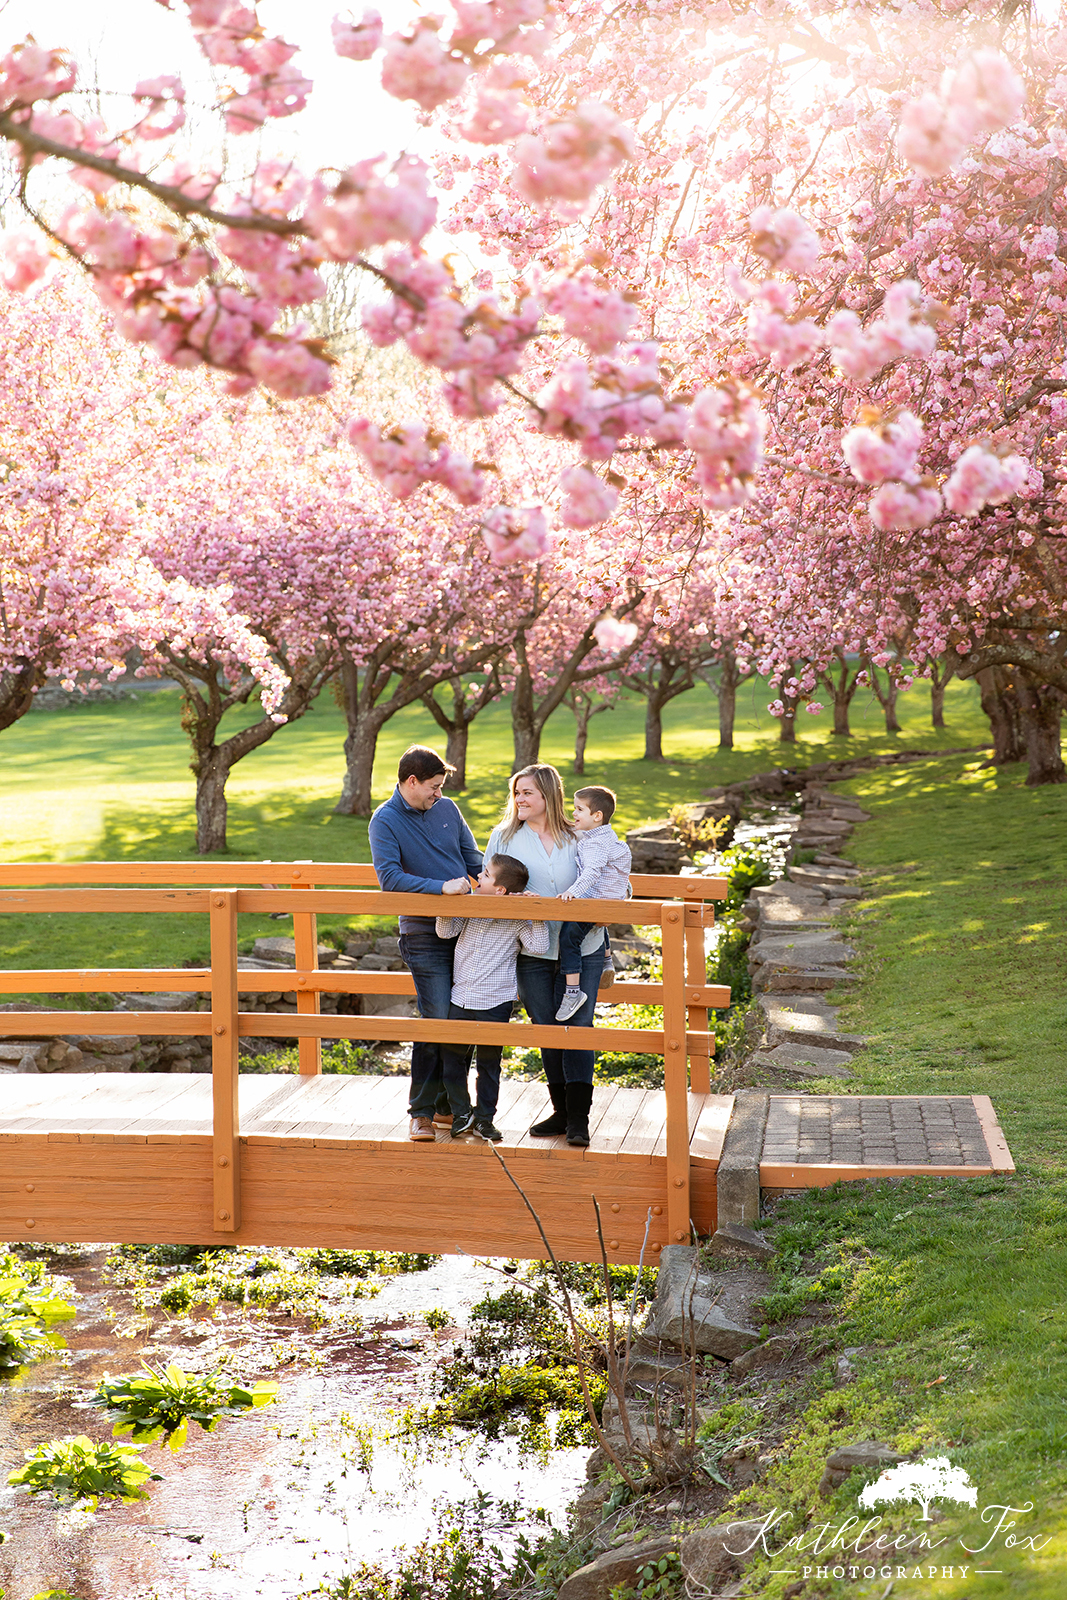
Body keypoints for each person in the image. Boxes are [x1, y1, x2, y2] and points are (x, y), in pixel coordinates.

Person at [484, 763, 610, 1147]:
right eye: (516, 793)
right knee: (548, 1029)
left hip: (584, 948)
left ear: (548, 796)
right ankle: (561, 1112)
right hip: (532, 950)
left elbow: (611, 873)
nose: (519, 800)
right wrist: (518, 902)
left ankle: (579, 1120)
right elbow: (486, 888)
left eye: (528, 793)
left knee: (579, 1029)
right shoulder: (503, 838)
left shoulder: (581, 836)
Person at [368, 744, 482, 1143]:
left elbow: (475, 861)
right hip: (422, 934)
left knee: (463, 1017)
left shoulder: (448, 810)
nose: (439, 794)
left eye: (441, 787)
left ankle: (448, 1106)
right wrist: (441, 888)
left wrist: (513, 880)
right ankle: (421, 1112)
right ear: (411, 781)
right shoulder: (384, 821)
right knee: (437, 1020)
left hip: (467, 931)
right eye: (433, 787)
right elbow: (390, 879)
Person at [435, 853, 549, 1142]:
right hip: (460, 996)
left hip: (495, 1001)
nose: (478, 878)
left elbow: (538, 945)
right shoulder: (469, 904)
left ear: (500, 889)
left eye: (485, 875)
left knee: (489, 1064)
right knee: (452, 1060)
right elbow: (444, 930)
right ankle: (462, 1112)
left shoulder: (518, 917)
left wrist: (535, 912)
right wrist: (450, 902)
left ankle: (485, 1118)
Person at [555, 786, 632, 1021]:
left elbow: (592, 873)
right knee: (595, 926)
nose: (574, 813)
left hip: (595, 901)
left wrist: (572, 892)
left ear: (596, 816)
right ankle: (607, 960)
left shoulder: (595, 844)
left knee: (569, 938)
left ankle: (572, 992)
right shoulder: (604, 835)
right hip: (609, 899)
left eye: (579, 809)